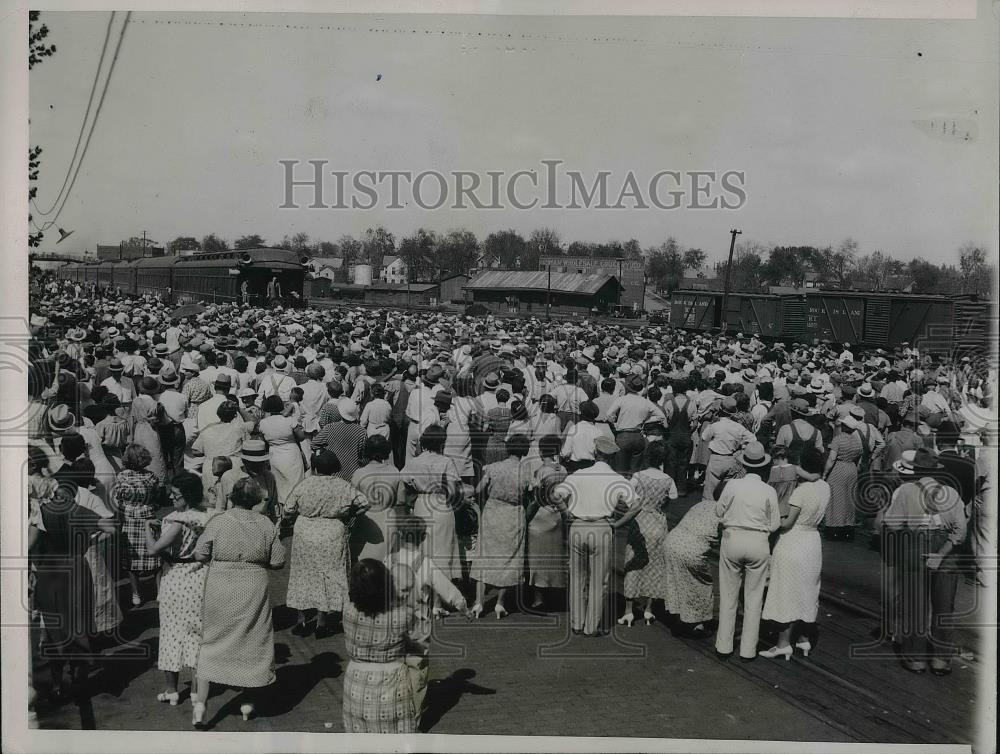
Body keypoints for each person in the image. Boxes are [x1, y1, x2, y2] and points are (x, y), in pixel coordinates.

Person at [192, 477, 286, 727]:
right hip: (253, 584)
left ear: (233, 496)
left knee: (211, 638)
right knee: (252, 639)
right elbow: (278, 561)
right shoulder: (265, 523)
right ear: (255, 500)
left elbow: (200, 552)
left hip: (220, 583)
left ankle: (200, 703)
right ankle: (247, 702)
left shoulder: (219, 521)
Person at [876, 448, 967, 675]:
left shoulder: (906, 490)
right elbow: (960, 533)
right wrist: (940, 555)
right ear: (937, 471)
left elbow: (893, 526)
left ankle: (916, 658)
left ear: (916, 469)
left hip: (914, 546)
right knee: (944, 607)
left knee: (915, 605)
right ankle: (940, 660)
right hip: (946, 552)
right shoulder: (951, 493)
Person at [29, 476, 118, 704]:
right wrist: (92, 539)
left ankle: (57, 684)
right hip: (77, 569)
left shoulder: (39, 515)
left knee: (54, 630)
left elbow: (29, 546)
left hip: (50, 573)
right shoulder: (76, 509)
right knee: (79, 626)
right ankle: (79, 679)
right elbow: (110, 527)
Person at [143, 471, 216, 705]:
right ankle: (196, 690)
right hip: (200, 577)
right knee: (198, 633)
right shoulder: (210, 517)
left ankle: (171, 690)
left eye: (176, 495)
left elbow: (154, 550)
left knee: (172, 634)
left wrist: (147, 529)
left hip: (176, 578)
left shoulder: (177, 522)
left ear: (186, 496)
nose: (172, 499)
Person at [283, 451, 370, 639]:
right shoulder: (342, 486)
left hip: (305, 532)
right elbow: (365, 504)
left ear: (315, 468)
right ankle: (322, 622)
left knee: (303, 574)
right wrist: (349, 515)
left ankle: (302, 620)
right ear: (334, 469)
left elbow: (288, 509)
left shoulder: (305, 484)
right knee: (330, 574)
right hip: (332, 531)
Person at [556, 435, 636, 637]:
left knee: (576, 576)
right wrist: (617, 523)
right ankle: (591, 626)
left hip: (577, 526)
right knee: (599, 580)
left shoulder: (579, 474)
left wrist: (566, 513)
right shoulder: (618, 479)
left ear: (595, 453)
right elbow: (637, 505)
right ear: (612, 457)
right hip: (602, 528)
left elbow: (556, 495)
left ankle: (576, 622)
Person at [760, 448, 830, 660]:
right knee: (805, 590)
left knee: (786, 591)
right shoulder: (825, 487)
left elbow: (787, 522)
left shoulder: (800, 491)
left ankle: (782, 644)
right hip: (812, 542)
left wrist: (771, 520)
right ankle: (802, 639)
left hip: (793, 540)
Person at [714, 442, 780, 661]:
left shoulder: (732, 485)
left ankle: (724, 646)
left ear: (744, 464)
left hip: (732, 539)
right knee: (754, 597)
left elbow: (718, 510)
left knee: (729, 594)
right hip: (758, 543)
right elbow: (775, 524)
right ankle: (748, 650)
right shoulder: (769, 490)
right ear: (763, 466)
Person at [341, 559, 421, 733]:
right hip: (392, 684)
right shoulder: (403, 616)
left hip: (356, 683)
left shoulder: (347, 610)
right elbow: (417, 639)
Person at [471, 434, 532, 619]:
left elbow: (478, 490)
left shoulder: (494, 468)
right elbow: (532, 494)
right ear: (525, 451)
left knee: (485, 556)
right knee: (509, 558)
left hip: (492, 511)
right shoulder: (526, 471)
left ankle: (479, 602)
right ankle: (500, 603)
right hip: (514, 514)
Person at [397, 425, 464, 586]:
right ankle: (439, 600)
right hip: (441, 504)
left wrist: (410, 502)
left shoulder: (414, 462)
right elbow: (454, 491)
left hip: (422, 504)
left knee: (423, 549)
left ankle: (423, 591)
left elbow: (403, 486)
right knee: (443, 549)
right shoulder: (446, 461)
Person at [662, 496, 722, 637]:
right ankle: (696, 624)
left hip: (671, 542)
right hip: (692, 550)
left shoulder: (703, 504)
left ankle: (679, 618)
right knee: (701, 585)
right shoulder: (726, 511)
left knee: (676, 582)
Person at [114, 444, 163, 607]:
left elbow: (118, 497)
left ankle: (136, 594)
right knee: (155, 556)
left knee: (131, 560)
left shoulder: (121, 477)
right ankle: (159, 591)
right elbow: (157, 496)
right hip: (148, 516)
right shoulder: (151, 477)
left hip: (129, 519)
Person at [524, 434, 569, 610]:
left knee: (538, 559)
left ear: (542, 451)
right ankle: (553, 593)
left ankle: (538, 597)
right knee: (554, 557)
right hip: (557, 516)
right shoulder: (563, 470)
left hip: (541, 516)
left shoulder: (541, 471)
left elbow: (535, 497)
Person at [350, 435, 400, 562]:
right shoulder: (395, 472)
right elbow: (400, 501)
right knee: (388, 565)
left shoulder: (359, 473)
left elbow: (352, 501)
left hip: (366, 520)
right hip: (389, 518)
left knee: (365, 564)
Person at [190, 399, 246, 496]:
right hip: (233, 465)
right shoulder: (239, 429)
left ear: (218, 414)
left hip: (212, 466)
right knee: (232, 498)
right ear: (235, 415)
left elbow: (195, 451)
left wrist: (210, 451)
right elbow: (253, 422)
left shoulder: (207, 429)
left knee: (212, 500)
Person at [822, 413, 864, 540]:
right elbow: (859, 459)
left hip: (838, 468)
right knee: (849, 499)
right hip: (851, 468)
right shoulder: (857, 441)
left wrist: (824, 474)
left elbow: (831, 458)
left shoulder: (838, 439)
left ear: (844, 427)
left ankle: (834, 527)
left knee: (835, 497)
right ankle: (847, 525)